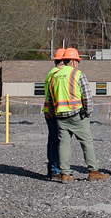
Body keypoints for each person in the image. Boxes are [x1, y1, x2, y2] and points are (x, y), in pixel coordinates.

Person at [45, 47, 107, 183]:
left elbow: (49, 99)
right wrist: (88, 112)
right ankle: (93, 171)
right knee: (86, 142)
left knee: (64, 145)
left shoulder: (54, 76)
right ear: (73, 61)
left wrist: (53, 113)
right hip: (77, 115)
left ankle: (65, 174)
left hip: (60, 116)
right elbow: (87, 97)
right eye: (77, 61)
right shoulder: (78, 74)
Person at [42, 49, 65, 178]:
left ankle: (53, 168)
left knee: (53, 140)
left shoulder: (51, 73)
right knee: (56, 141)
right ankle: (55, 169)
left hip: (49, 111)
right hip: (54, 112)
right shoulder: (56, 74)